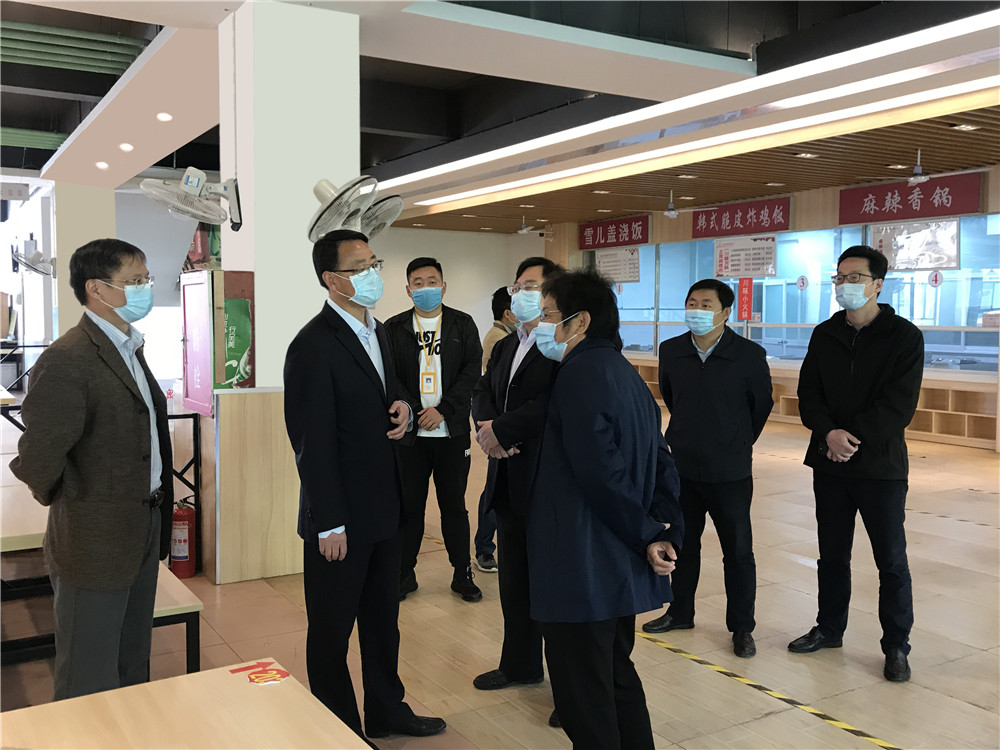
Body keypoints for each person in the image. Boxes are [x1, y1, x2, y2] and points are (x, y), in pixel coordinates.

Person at [283, 229, 446, 741]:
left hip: (384, 507)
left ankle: (387, 710)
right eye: (360, 268)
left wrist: (403, 408)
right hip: (341, 519)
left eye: (375, 263)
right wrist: (329, 521)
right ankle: (338, 728)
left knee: (382, 621)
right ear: (332, 280)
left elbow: (390, 392)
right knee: (331, 631)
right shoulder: (312, 345)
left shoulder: (378, 332)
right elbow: (311, 443)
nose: (373, 275)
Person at [10, 238, 173, 701]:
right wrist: (82, 502)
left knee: (131, 656)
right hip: (94, 536)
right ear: (96, 289)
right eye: (134, 281)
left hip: (144, 521)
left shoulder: (129, 346)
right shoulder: (69, 357)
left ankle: (130, 731)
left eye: (146, 279)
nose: (145, 289)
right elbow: (38, 457)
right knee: (88, 671)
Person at [528, 270, 684, 750]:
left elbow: (600, 470)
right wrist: (662, 530)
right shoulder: (624, 372)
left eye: (549, 315)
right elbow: (662, 461)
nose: (542, 326)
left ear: (580, 321)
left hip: (582, 560)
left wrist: (646, 533)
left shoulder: (578, 374)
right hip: (617, 560)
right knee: (615, 674)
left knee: (584, 693)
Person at [788, 244, 924, 683]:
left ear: (877, 285)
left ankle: (896, 645)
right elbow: (809, 393)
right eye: (839, 278)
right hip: (829, 464)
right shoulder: (825, 333)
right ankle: (829, 629)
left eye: (854, 278)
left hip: (880, 468)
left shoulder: (904, 336)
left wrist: (849, 438)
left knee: (891, 561)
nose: (844, 285)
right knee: (831, 555)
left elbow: (898, 405)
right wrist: (828, 432)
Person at [643, 279, 773, 658]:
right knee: (683, 543)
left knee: (738, 551)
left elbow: (760, 406)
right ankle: (680, 612)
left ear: (725, 312)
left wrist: (736, 441)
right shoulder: (672, 351)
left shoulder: (748, 354)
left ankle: (742, 627)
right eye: (692, 303)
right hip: (682, 465)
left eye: (705, 304)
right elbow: (671, 396)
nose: (696, 310)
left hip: (730, 471)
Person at [470, 257, 561, 708]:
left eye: (534, 286)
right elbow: (482, 389)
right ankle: (520, 663)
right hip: (507, 477)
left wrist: (502, 431)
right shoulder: (508, 343)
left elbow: (553, 402)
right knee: (515, 581)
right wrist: (489, 428)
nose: (524, 293)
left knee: (554, 589)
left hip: (546, 479)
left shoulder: (560, 344)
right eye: (519, 285)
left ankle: (570, 692)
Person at [385, 257, 483, 603]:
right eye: (418, 282)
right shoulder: (394, 328)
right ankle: (404, 573)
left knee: (454, 506)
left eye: (431, 281)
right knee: (409, 507)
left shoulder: (462, 324)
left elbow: (471, 372)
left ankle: (462, 573)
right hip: (411, 437)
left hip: (451, 434)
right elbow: (390, 376)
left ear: (443, 286)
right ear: (408, 289)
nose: (425, 288)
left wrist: (443, 410)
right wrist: (415, 411)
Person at [473, 286, 518, 573]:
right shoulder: (499, 340)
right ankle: (484, 547)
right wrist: (497, 433)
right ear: (508, 313)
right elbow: (493, 389)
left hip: (509, 430)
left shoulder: (509, 337)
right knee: (493, 489)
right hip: (499, 430)